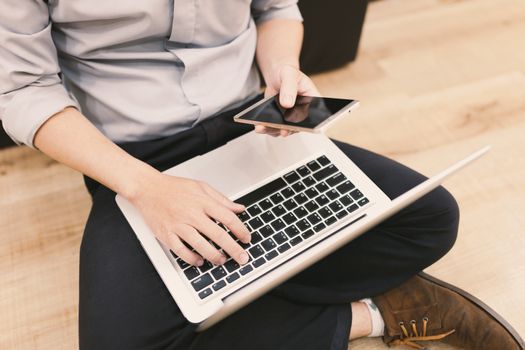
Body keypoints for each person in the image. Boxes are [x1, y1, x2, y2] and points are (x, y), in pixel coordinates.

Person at [1, 1, 522, 349]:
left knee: (430, 218)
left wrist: (281, 71)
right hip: (135, 159)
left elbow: (276, 8)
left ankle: (241, 288)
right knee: (119, 343)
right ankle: (381, 312)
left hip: (252, 125)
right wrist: (146, 187)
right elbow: (23, 91)